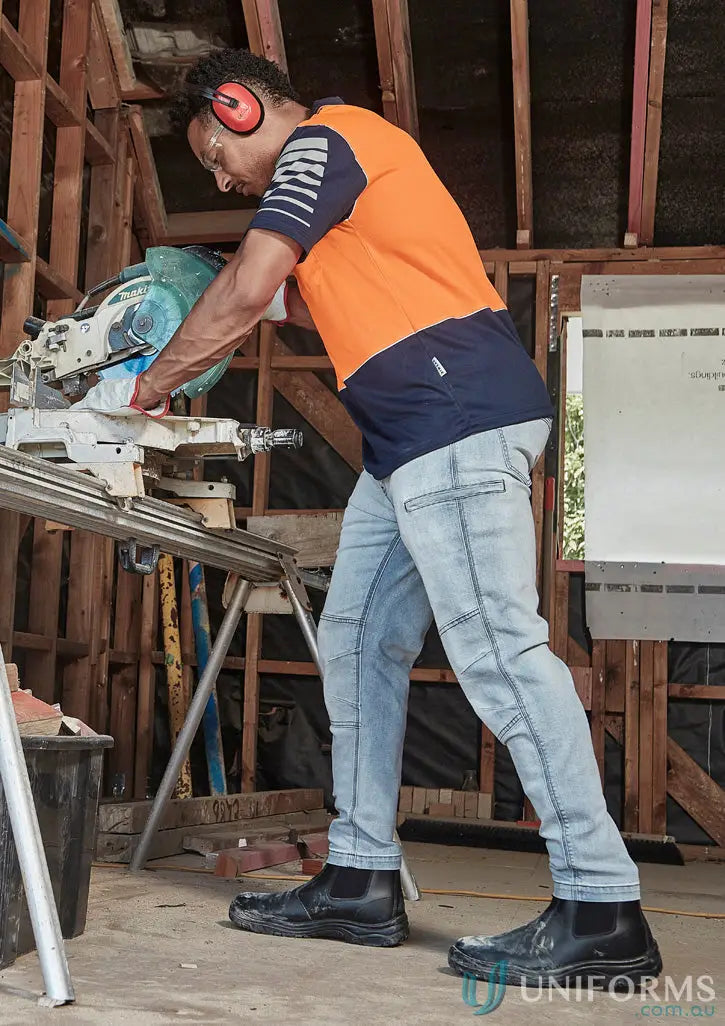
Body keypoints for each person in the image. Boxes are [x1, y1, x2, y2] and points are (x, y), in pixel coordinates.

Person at [77, 49, 661, 986]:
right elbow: (289, 297)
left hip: (452, 419)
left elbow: (250, 289)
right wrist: (225, 295)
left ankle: (602, 907)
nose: (221, 179)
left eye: (216, 155)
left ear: (239, 107)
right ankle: (359, 880)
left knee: (499, 651)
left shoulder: (326, 141)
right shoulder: (337, 191)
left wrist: (144, 387)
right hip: (403, 444)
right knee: (352, 644)